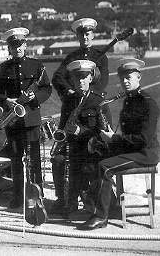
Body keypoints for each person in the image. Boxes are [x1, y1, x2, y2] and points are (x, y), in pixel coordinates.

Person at [78, 58, 159, 230]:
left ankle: (101, 217)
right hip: (134, 149)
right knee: (94, 158)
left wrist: (114, 139)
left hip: (146, 154)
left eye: (129, 77)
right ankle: (110, 206)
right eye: (123, 78)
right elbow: (130, 137)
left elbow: (143, 139)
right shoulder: (129, 101)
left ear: (139, 78)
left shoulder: (148, 103)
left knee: (105, 166)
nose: (125, 81)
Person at [0, 27, 52, 208]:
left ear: (25, 45)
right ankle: (18, 196)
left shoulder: (37, 66)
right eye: (13, 45)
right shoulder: (3, 69)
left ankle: (37, 196)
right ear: (9, 48)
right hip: (13, 120)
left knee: (34, 159)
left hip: (32, 118)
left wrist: (36, 98)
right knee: (16, 159)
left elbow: (47, 89)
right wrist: (7, 101)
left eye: (19, 44)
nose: (17, 48)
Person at [50, 60, 110, 217]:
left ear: (91, 78)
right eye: (77, 78)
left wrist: (79, 131)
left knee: (82, 165)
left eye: (84, 77)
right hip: (72, 145)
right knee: (57, 160)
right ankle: (63, 199)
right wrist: (59, 138)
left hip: (92, 148)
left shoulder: (99, 101)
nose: (80, 81)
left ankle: (86, 200)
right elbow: (62, 126)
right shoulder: (68, 101)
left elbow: (104, 133)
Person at [52, 18, 109, 99]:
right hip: (75, 100)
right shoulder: (71, 57)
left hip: (95, 99)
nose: (84, 37)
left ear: (92, 35)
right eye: (81, 34)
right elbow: (57, 77)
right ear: (77, 36)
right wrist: (69, 90)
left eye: (87, 34)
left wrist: (90, 93)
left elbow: (103, 81)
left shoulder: (101, 57)